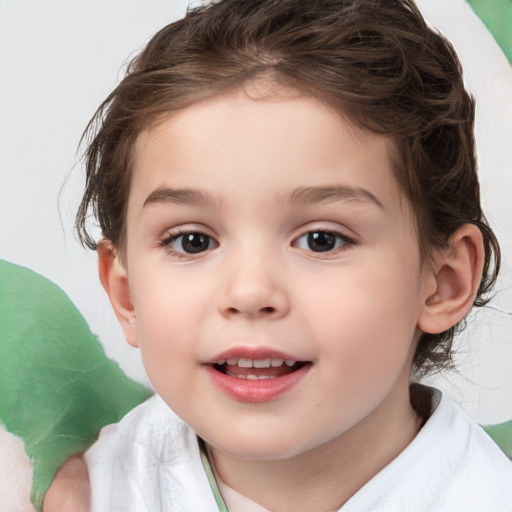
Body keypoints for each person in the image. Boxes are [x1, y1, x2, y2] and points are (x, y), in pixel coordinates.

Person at [43, 0, 512, 510]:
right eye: (192, 240)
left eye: (321, 239)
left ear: (444, 281)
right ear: (127, 292)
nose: (249, 292)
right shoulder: (83, 490)